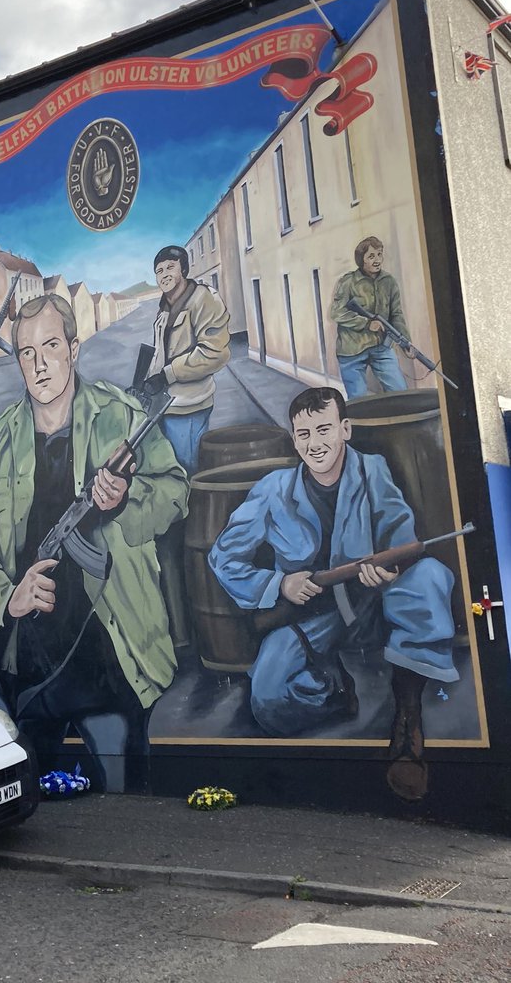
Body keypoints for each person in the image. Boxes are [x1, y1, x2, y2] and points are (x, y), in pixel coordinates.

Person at [0, 293, 189, 792]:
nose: (39, 364)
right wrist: (7, 594)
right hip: (25, 650)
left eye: (51, 345)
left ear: (73, 349)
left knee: (128, 799)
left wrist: (124, 498)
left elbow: (175, 493)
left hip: (115, 637)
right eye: (27, 353)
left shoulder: (121, 418)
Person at [208, 386, 458, 802]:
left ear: (345, 429)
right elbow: (223, 556)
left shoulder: (372, 471)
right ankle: (337, 695)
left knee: (429, 576)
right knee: (268, 701)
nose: (315, 443)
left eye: (324, 429)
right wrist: (278, 584)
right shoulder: (274, 489)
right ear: (293, 439)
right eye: (303, 434)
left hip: (373, 602)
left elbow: (400, 533)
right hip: (312, 616)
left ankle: (408, 716)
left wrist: (388, 567)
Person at [142, 245, 230, 651]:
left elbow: (215, 353)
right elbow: (159, 355)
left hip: (191, 410)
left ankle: (198, 617)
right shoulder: (163, 308)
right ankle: (180, 622)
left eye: (169, 267)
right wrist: (147, 381)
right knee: (171, 503)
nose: (163, 274)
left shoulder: (203, 301)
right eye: (158, 268)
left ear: (184, 269)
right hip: (165, 412)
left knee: (189, 509)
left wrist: (169, 374)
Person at [330, 236, 412, 398]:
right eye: (371, 256)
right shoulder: (348, 282)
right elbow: (337, 313)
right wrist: (366, 324)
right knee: (358, 401)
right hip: (351, 349)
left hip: (381, 347)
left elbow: (396, 314)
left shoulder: (389, 282)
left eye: (379, 254)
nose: (377, 260)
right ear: (362, 260)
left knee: (400, 393)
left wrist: (405, 342)